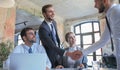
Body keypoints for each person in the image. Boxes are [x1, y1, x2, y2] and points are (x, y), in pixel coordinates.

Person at [79, 0, 120, 69]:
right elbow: (102, 41)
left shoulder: (116, 11)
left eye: (95, 2)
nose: (95, 6)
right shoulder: (110, 14)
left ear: (105, 1)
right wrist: (82, 53)